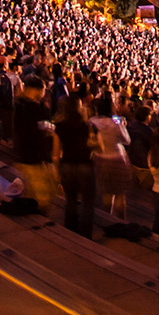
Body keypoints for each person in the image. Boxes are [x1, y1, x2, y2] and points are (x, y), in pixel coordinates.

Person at [13, 76, 58, 213]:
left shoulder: (18, 104)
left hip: (24, 155)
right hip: (36, 158)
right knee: (43, 199)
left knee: (31, 194)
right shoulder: (36, 108)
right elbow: (36, 132)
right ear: (38, 90)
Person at [55, 95, 98, 239]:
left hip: (67, 164)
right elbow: (95, 147)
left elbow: (55, 153)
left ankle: (71, 232)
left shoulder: (59, 126)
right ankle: (86, 235)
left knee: (71, 200)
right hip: (85, 165)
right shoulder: (88, 125)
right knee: (88, 203)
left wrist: (56, 172)